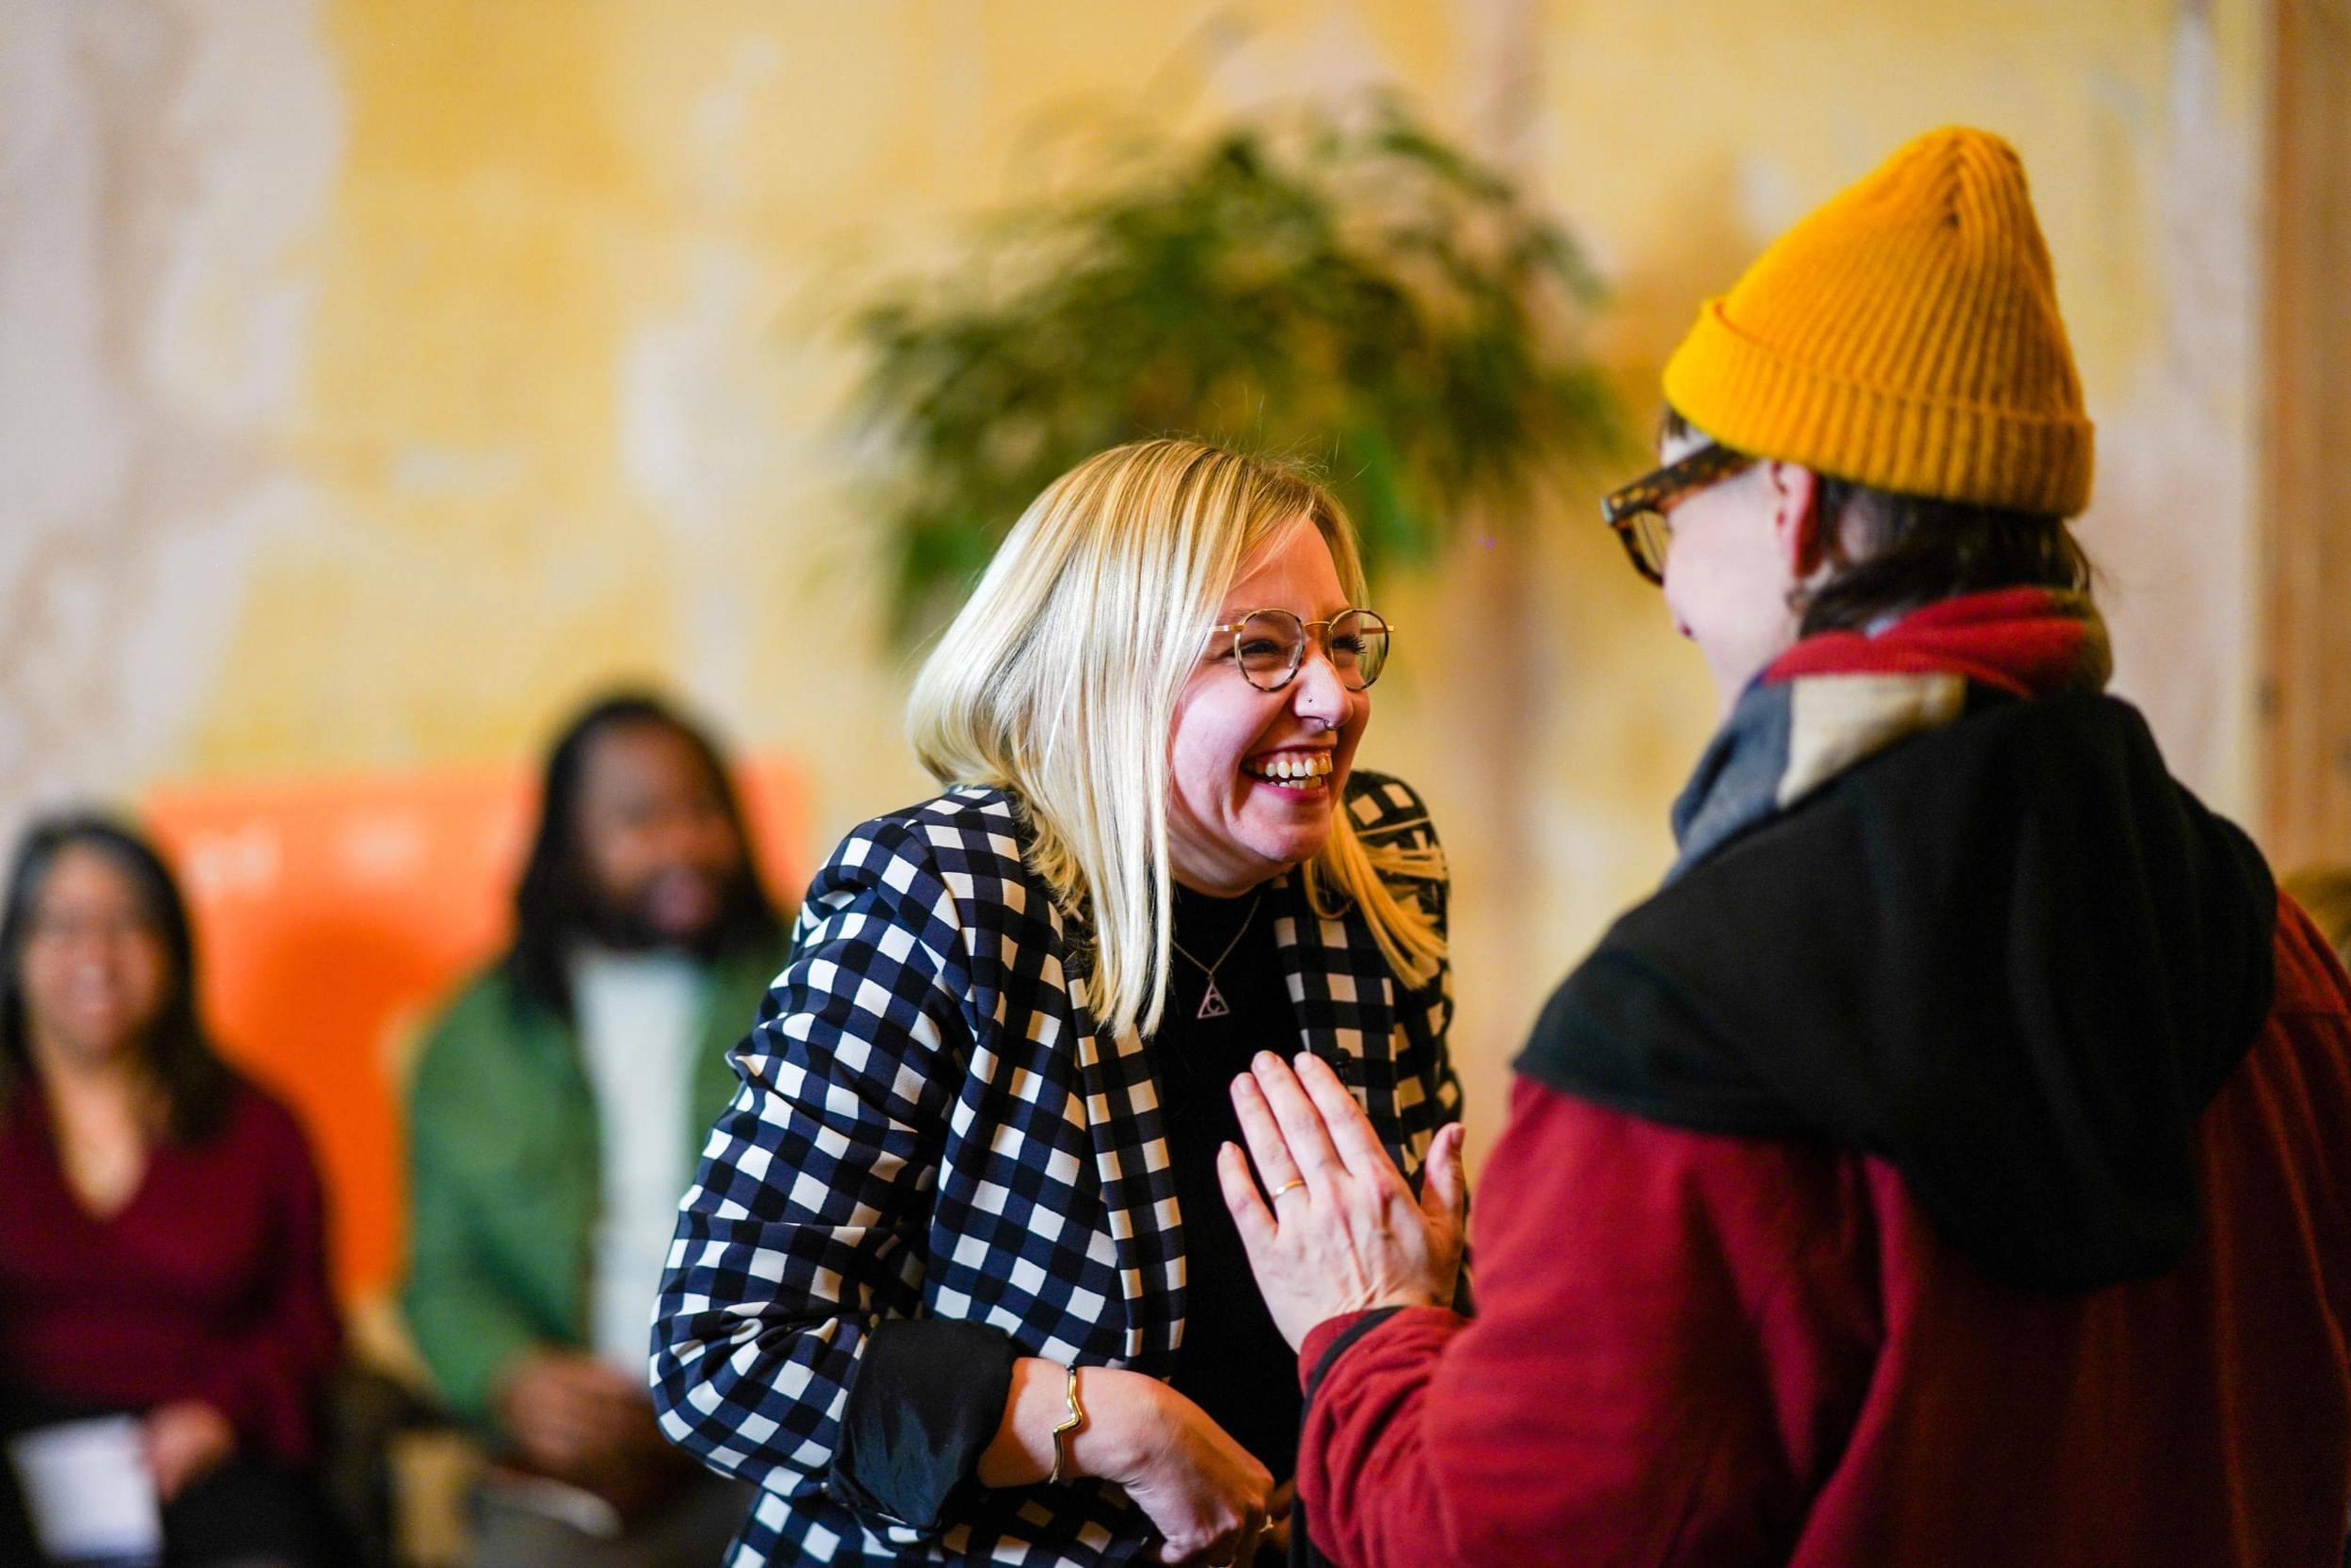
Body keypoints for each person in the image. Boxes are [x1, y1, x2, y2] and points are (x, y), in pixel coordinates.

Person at [1220, 126, 2351, 1567]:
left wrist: (1364, 1326)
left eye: (1658, 511)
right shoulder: (2279, 955)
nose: (1670, 592)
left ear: (1788, 503)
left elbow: (1492, 1540)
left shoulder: (1689, 1026)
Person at [650, 438, 1463, 1567]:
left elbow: (1411, 1282)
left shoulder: (1377, 867)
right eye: (1264, 651)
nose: (1335, 696)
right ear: (1110, 671)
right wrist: (1111, 1426)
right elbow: (724, 1354)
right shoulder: (949, 892)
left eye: (1341, 642)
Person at [403, 693, 788, 1566]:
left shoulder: (814, 980)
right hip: (577, 1470)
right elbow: (442, 1276)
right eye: (640, 819)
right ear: (566, 841)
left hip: (781, 1439)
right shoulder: (471, 1042)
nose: (684, 844)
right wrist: (513, 1378)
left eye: (704, 811)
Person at [0, 815, 340, 1567]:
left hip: (213, 1455)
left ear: (174, 950)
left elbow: (308, 1319)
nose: (97, 954)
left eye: (128, 922)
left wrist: (224, 1411)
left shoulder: (259, 1127)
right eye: (61, 925)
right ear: (17, 954)